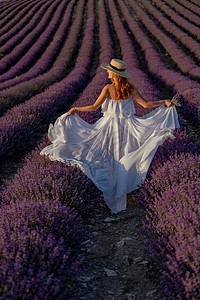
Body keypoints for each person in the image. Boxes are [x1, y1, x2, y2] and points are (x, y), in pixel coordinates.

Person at [40, 58, 180, 214]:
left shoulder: (107, 88)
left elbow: (94, 107)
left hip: (109, 127)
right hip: (128, 127)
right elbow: (146, 105)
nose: (107, 72)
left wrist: (76, 109)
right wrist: (164, 102)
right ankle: (123, 190)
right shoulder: (130, 88)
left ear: (114, 74)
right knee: (124, 156)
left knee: (108, 157)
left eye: (109, 71)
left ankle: (112, 192)